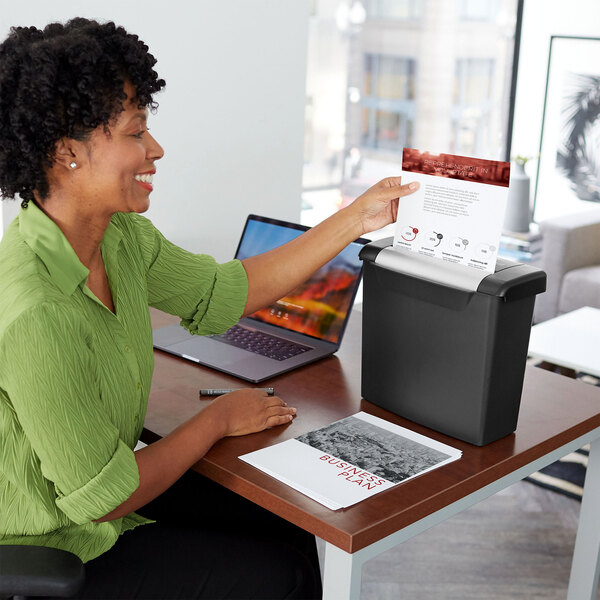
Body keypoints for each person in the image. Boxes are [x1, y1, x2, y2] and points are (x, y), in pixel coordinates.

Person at [0, 18, 418, 599]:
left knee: (286, 519)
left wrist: (355, 219)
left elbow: (226, 294)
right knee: (281, 578)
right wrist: (217, 419)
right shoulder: (35, 309)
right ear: (66, 152)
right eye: (135, 132)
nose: (156, 149)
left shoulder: (120, 240)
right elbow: (105, 498)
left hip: (103, 507)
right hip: (59, 545)